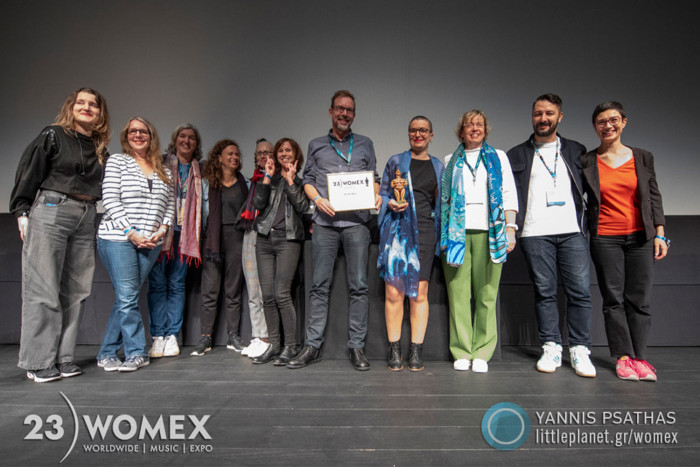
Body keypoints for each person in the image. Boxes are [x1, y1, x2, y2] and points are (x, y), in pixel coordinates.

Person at [10, 88, 111, 382]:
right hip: (52, 209)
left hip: (86, 214)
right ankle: (39, 361)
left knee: (77, 290)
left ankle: (63, 357)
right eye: (81, 102)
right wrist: (21, 211)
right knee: (43, 287)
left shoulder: (100, 147)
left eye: (93, 104)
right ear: (71, 107)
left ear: (100, 113)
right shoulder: (53, 135)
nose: (87, 107)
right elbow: (29, 171)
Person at [506, 93, 596, 378]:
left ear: (560, 116)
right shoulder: (516, 154)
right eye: (537, 113)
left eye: (549, 113)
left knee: (579, 292)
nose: (543, 118)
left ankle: (580, 349)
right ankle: (551, 345)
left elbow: (590, 191)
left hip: (572, 232)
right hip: (535, 232)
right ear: (532, 117)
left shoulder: (576, 150)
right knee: (544, 292)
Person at [293, 90, 382, 371]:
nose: (345, 114)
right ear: (330, 111)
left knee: (359, 286)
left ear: (354, 115)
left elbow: (375, 180)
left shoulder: (366, 144)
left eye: (350, 110)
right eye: (340, 109)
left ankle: (357, 347)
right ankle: (312, 346)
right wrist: (317, 199)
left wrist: (376, 195)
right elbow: (307, 180)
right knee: (319, 287)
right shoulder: (316, 145)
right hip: (325, 225)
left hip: (357, 224)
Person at [581, 101, 668, 381]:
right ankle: (622, 358)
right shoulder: (587, 161)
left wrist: (660, 233)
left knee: (639, 299)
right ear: (595, 127)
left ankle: (640, 358)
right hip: (605, 237)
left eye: (613, 120)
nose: (608, 126)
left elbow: (653, 197)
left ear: (624, 122)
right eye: (602, 122)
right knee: (613, 299)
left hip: (640, 237)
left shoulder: (642, 157)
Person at [441, 111, 518, 373]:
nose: (474, 128)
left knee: (487, 294)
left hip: (491, 232)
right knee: (459, 295)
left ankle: (482, 351)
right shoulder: (450, 160)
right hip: (457, 235)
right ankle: (462, 350)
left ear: (486, 129)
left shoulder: (499, 157)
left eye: (479, 124)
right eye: (469, 125)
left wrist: (510, 228)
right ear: (460, 131)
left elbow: (508, 193)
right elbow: (445, 201)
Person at [96, 117, 175, 373]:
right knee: (128, 299)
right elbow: (109, 199)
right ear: (126, 135)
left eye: (143, 131)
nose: (138, 135)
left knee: (125, 299)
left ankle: (107, 352)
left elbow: (170, 207)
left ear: (151, 136)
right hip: (118, 238)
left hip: (151, 243)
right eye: (133, 131)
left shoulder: (164, 170)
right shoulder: (118, 161)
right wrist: (131, 232)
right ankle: (137, 352)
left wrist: (162, 231)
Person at [377, 116, 444, 371]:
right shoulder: (395, 161)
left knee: (419, 293)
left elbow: (441, 205)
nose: (418, 134)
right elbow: (382, 193)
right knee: (394, 292)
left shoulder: (438, 167)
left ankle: (416, 349)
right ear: (408, 134)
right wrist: (389, 203)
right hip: (396, 229)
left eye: (423, 130)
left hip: (425, 232)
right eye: (413, 130)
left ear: (431, 135)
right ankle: (394, 349)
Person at [147, 124, 203, 359]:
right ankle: (157, 336)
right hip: (161, 231)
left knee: (177, 284)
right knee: (157, 283)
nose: (186, 141)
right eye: (182, 136)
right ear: (175, 139)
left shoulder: (200, 170)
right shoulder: (159, 162)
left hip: (185, 233)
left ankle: (172, 336)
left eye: (191, 138)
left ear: (196, 143)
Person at [251, 138, 309, 365]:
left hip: (288, 240)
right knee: (267, 296)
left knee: (281, 293)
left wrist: (291, 181)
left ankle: (290, 346)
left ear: (296, 156)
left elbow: (304, 208)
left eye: (289, 150)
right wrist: (267, 176)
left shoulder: (302, 182)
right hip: (265, 239)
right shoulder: (268, 179)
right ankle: (274, 345)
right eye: (281, 150)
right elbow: (257, 204)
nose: (284, 153)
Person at [191, 140, 249, 356]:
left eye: (237, 154)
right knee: (210, 290)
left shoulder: (245, 184)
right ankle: (205, 337)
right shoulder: (208, 184)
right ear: (219, 158)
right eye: (230, 154)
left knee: (233, 290)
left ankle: (233, 335)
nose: (234, 157)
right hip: (212, 241)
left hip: (237, 239)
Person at [238, 139, 272, 359]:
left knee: (265, 290)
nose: (263, 156)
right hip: (250, 231)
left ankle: (268, 337)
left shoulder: (274, 179)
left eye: (267, 152)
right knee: (252, 288)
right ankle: (258, 335)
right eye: (260, 153)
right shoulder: (252, 180)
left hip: (268, 235)